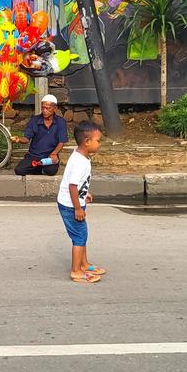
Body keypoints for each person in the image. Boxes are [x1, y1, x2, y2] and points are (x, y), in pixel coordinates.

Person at [57, 121, 105, 284]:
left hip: (74, 201)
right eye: (98, 141)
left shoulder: (81, 156)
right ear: (87, 142)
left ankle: (84, 264)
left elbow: (77, 184)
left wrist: (84, 194)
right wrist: (78, 207)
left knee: (82, 235)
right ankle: (76, 270)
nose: (99, 144)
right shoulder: (80, 162)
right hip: (71, 205)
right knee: (79, 237)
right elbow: (72, 186)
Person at [14, 94, 67, 176]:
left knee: (51, 171)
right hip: (34, 155)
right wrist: (19, 139)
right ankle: (38, 167)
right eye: (43, 108)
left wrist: (54, 154)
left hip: (49, 155)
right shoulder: (35, 120)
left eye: (48, 108)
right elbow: (26, 138)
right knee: (19, 170)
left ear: (55, 108)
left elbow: (61, 141)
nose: (44, 110)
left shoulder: (61, 122)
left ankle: (38, 167)